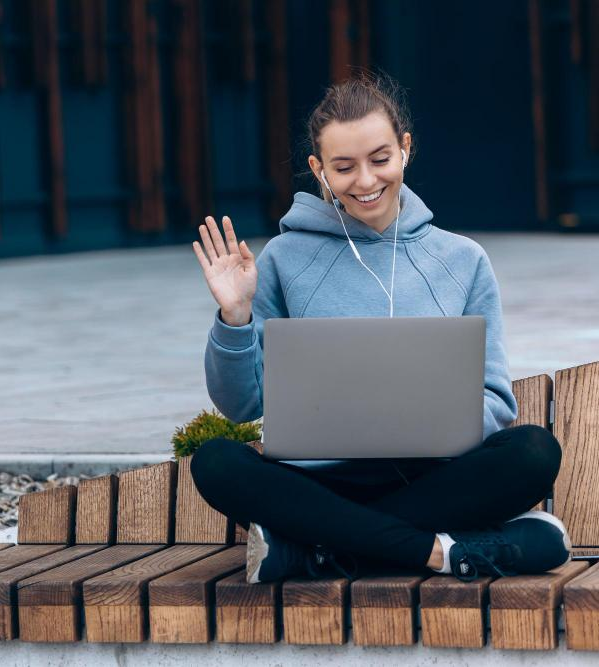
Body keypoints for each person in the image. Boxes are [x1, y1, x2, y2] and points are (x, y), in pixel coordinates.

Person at [189, 72, 571, 584]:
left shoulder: (462, 259)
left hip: (432, 478)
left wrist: (428, 422)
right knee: (216, 463)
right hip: (319, 484)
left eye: (380, 159)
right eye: (344, 167)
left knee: (532, 452)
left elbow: (496, 400)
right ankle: (437, 553)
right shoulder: (282, 259)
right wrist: (234, 317)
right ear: (317, 169)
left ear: (405, 149)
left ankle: (318, 554)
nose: (366, 182)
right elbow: (241, 406)